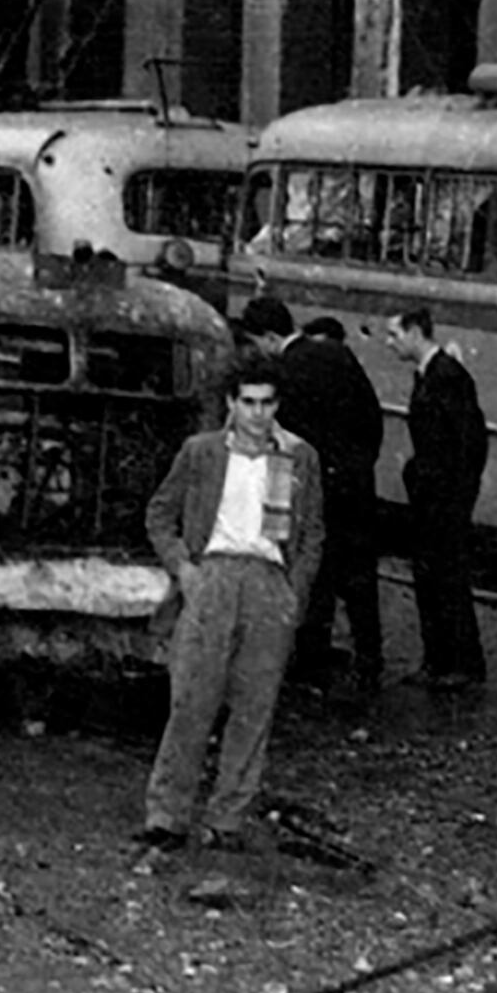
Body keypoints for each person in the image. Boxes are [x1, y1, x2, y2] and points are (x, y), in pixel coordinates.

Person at [141, 353, 325, 852]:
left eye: (267, 403)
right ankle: (167, 815)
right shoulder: (201, 453)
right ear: (231, 403)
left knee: (254, 707)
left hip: (268, 580)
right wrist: (183, 568)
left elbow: (312, 534)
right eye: (248, 402)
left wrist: (294, 593)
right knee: (191, 702)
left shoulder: (296, 457)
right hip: (212, 578)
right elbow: (160, 513)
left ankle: (227, 819)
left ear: (278, 405)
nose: (257, 414)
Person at [242, 298, 387, 701]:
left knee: (315, 574)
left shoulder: (281, 375)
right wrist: (358, 468)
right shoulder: (338, 355)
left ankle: (311, 661)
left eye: (257, 343)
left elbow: (280, 446)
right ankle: (370, 662)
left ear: (270, 337)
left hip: (312, 491)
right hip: (355, 485)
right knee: (360, 579)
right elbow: (372, 419)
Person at [385, 304, 487, 690]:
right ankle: (441, 660)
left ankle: (454, 662)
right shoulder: (433, 373)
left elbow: (467, 442)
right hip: (435, 495)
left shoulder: (445, 376)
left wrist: (447, 490)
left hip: (443, 499)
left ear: (415, 332)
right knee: (434, 579)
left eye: (394, 334)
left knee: (444, 579)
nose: (389, 343)